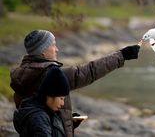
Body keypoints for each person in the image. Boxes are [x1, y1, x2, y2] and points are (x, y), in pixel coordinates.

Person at [10, 30, 140, 137]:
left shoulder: (22, 74)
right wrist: (122, 55)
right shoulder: (52, 74)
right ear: (43, 51)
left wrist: (66, 122)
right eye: (53, 45)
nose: (57, 49)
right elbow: (89, 72)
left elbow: (40, 116)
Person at [13, 66, 70, 137]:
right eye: (61, 98)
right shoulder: (39, 118)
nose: (63, 103)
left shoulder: (49, 111)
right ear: (50, 94)